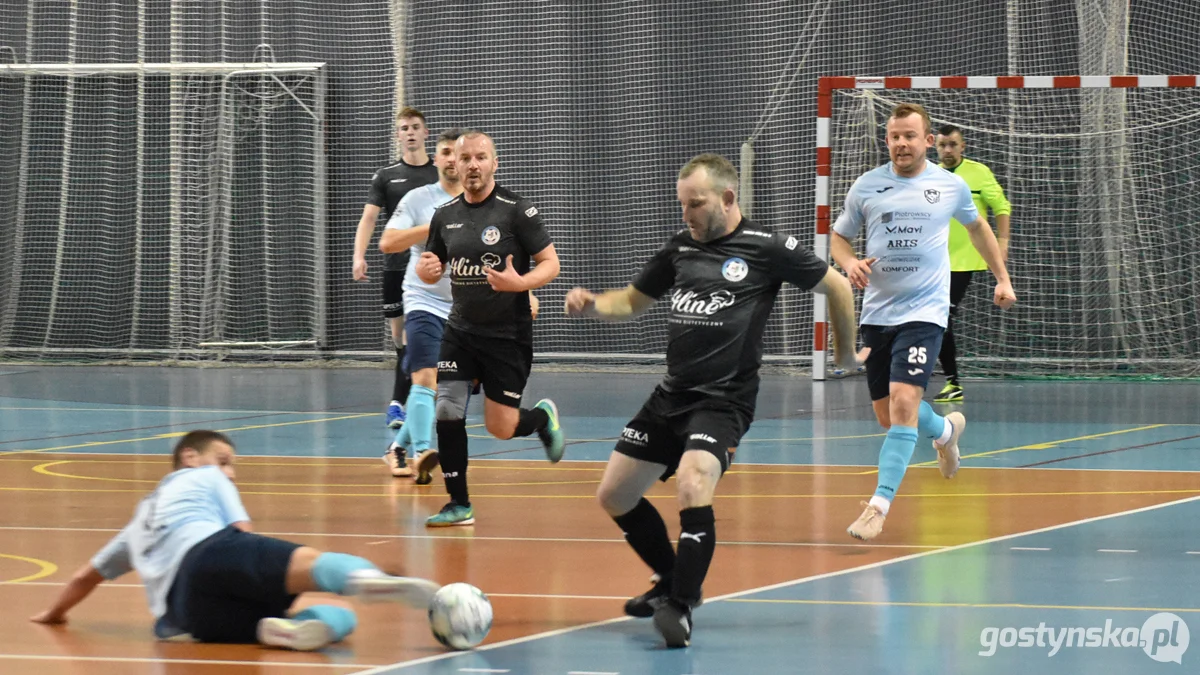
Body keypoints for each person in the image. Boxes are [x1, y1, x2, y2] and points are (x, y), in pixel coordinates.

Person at [565, 153, 859, 648]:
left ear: (727, 198)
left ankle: (680, 606)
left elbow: (835, 285)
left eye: (696, 204)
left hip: (724, 400)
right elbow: (633, 301)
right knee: (614, 495)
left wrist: (846, 352)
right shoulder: (680, 247)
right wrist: (594, 303)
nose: (687, 215)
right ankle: (669, 579)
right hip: (672, 394)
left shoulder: (767, 247)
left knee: (693, 479)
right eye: (682, 205)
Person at [30, 431, 440, 651]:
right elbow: (241, 533)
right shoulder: (202, 476)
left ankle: (283, 632)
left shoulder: (139, 521)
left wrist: (53, 613)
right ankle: (363, 579)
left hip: (187, 614)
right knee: (317, 566)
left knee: (321, 622)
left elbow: (86, 577)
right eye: (225, 461)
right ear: (190, 456)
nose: (230, 473)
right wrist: (274, 569)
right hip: (213, 553)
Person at [830, 103, 1016, 542]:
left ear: (927, 141)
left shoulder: (949, 186)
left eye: (910, 136)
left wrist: (1002, 278)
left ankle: (878, 506)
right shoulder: (868, 186)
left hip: (926, 313)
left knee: (902, 406)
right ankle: (947, 430)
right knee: (888, 417)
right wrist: (849, 262)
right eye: (894, 136)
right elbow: (839, 237)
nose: (901, 143)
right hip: (878, 314)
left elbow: (978, 228)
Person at [415, 130, 565, 527]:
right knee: (447, 408)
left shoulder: (517, 211)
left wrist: (521, 285)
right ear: (455, 165)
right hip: (461, 331)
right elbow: (431, 265)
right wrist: (425, 271)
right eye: (465, 159)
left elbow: (551, 264)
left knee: (501, 428)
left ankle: (542, 419)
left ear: (494, 163)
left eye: (481, 157)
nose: (473, 165)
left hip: (507, 337)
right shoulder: (444, 215)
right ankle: (458, 504)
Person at [352, 107, 439, 429]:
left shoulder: (440, 175)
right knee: (402, 341)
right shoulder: (386, 176)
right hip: (395, 269)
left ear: (426, 132)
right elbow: (370, 219)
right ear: (398, 134)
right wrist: (358, 256)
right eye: (404, 128)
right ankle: (401, 403)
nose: (410, 132)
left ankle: (400, 404)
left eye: (416, 127)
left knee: (430, 337)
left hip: (432, 271)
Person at [933, 123, 1012, 402]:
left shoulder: (978, 173)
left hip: (963, 260)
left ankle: (952, 382)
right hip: (932, 260)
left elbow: (1001, 206)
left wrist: (1002, 242)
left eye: (953, 144)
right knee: (932, 319)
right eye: (942, 145)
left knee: (941, 317)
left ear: (963, 146)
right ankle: (938, 377)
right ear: (935, 146)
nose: (948, 150)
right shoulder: (928, 175)